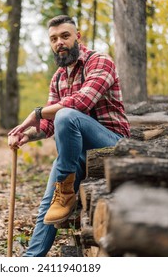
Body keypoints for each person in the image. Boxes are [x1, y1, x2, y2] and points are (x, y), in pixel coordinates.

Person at [7, 15, 130, 257]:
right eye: (53, 39)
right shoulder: (59, 78)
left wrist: (38, 112)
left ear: (78, 37)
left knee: (66, 115)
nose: (59, 43)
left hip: (112, 145)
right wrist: (26, 134)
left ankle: (63, 190)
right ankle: (30, 261)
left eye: (65, 36)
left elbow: (81, 103)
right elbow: (49, 125)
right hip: (79, 152)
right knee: (48, 204)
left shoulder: (100, 62)